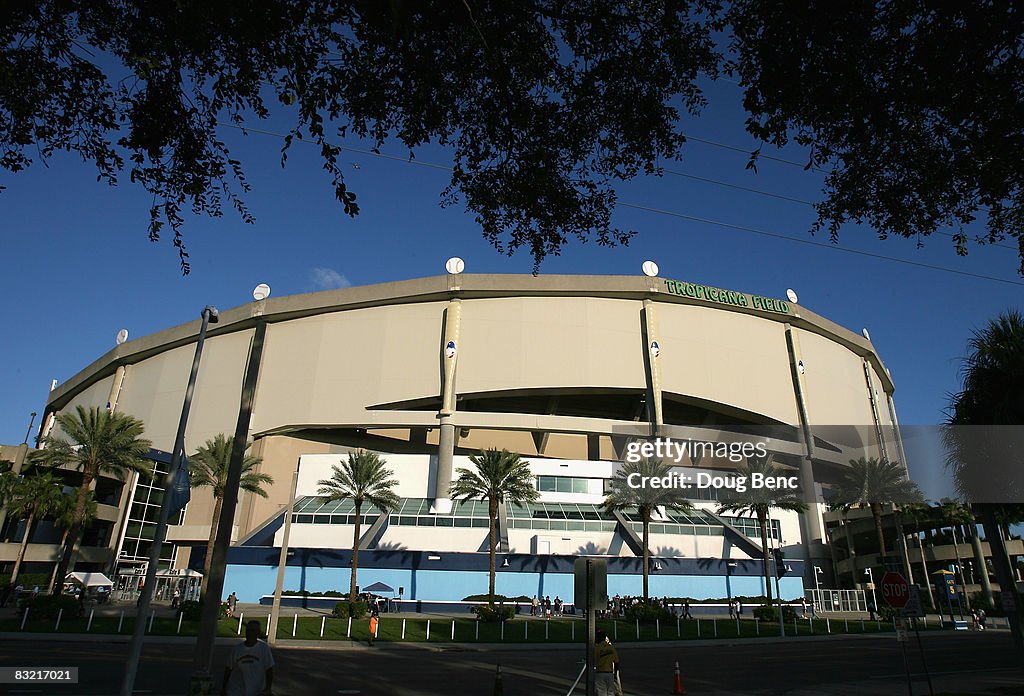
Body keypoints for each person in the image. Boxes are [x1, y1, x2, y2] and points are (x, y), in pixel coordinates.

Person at [223, 620, 274, 696]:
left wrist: (268, 688)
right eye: (248, 631)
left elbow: (269, 669)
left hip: (256, 691)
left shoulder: (264, 648)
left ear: (258, 632)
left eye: (253, 631)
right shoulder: (236, 649)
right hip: (236, 691)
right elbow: (228, 669)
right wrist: (224, 688)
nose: (250, 633)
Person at [594, 628, 619, 696]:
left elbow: (594, 659)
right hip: (610, 673)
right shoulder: (611, 647)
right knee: (611, 692)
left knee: (601, 692)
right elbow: (616, 662)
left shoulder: (597, 648)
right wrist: (615, 674)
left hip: (600, 672)